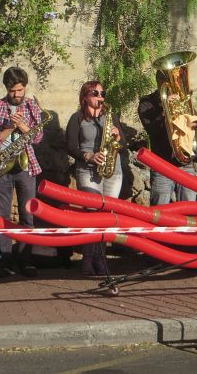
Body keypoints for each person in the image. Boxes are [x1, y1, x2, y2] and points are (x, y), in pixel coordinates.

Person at [0, 67, 43, 278]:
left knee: (27, 214)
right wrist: (10, 127)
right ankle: (5, 262)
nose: (17, 95)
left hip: (25, 164)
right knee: (2, 216)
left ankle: (26, 260)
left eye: (20, 90)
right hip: (2, 166)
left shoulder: (32, 106)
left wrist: (22, 126)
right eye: (13, 91)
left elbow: (38, 138)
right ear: (7, 88)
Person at [66, 81, 125, 276]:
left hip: (112, 171)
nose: (100, 96)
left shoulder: (110, 117)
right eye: (95, 93)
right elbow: (71, 146)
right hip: (88, 171)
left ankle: (101, 258)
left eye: (102, 93)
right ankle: (88, 259)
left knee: (107, 217)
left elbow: (123, 142)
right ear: (85, 97)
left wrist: (117, 137)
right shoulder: (77, 119)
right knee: (92, 216)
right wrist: (89, 156)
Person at [137, 72, 197, 205]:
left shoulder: (182, 99)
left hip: (185, 162)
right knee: (161, 208)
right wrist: (165, 110)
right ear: (159, 81)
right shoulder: (146, 103)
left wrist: (195, 123)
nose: (172, 83)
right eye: (167, 79)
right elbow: (151, 130)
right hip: (162, 164)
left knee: (190, 208)